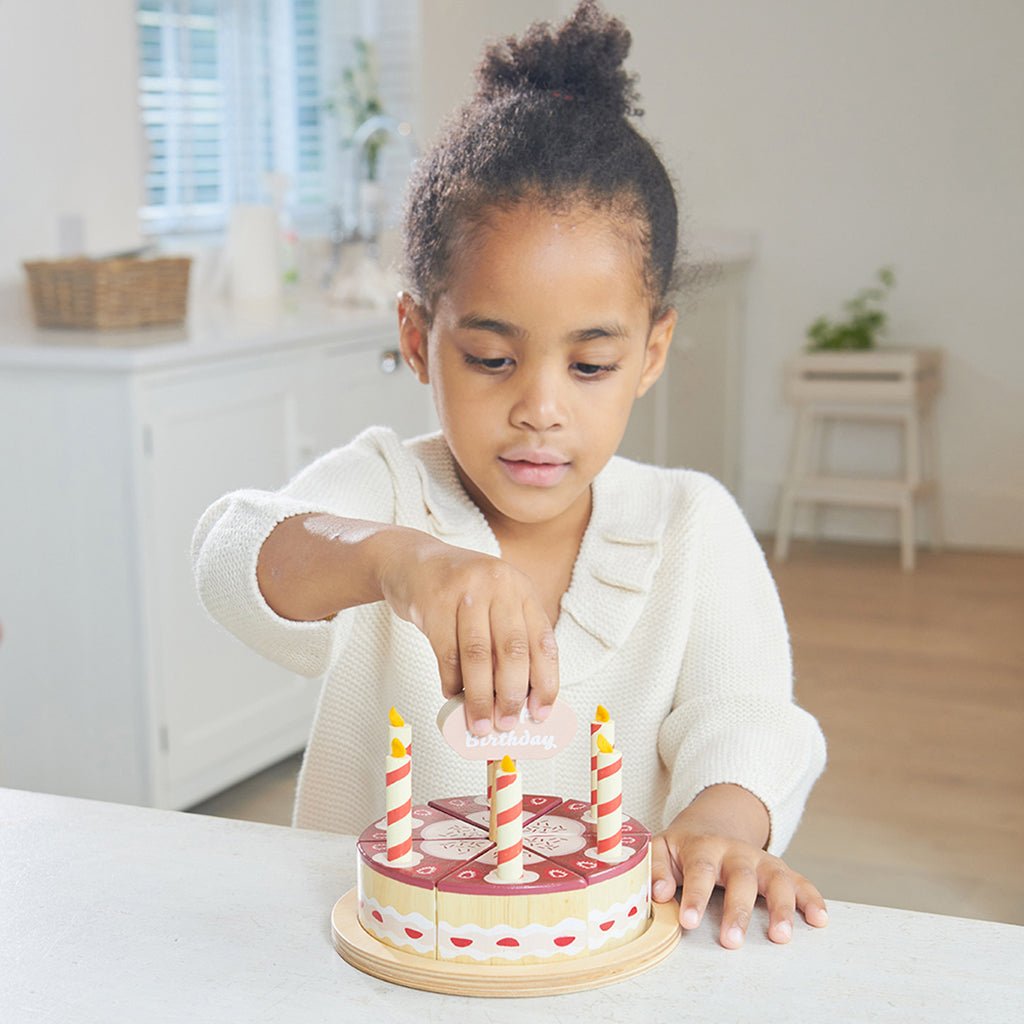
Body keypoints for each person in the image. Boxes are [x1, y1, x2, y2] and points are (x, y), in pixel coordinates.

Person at [192, 0, 827, 949]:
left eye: (590, 365)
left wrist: (723, 826)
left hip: (610, 976)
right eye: (492, 358)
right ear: (418, 339)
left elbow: (745, 717)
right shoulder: (387, 495)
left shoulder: (693, 524)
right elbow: (233, 555)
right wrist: (401, 563)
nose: (540, 406)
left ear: (652, 351)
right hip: (381, 975)